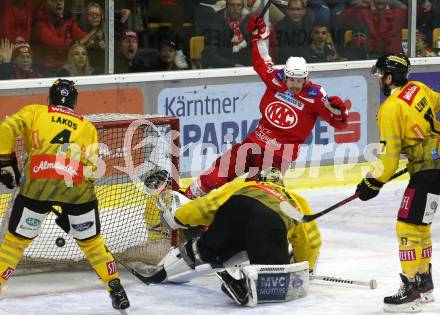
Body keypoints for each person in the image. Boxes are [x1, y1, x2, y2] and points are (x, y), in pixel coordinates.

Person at [182, 15, 349, 199]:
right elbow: (262, 60)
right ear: (285, 76)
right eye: (291, 79)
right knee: (218, 172)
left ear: (306, 79)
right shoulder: (276, 79)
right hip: (254, 141)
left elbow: (339, 123)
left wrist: (339, 110)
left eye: (299, 80)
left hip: (279, 156)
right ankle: (185, 200)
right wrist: (258, 34)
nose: (294, 84)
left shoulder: (316, 95)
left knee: (251, 196)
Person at [0, 79, 130, 313]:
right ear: (74, 102)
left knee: (15, 243)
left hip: (37, 185)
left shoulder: (35, 111)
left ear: (49, 99)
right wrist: (73, 211)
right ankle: (115, 288)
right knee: (91, 243)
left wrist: (4, 161)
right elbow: (91, 171)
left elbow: (6, 128)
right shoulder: (87, 126)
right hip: (77, 189)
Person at [156, 167, 320, 305]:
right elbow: (310, 241)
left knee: (211, 246)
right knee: (273, 276)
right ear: (281, 184)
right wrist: (306, 267)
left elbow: (209, 205)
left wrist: (180, 216)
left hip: (235, 208)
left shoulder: (248, 185)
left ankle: (204, 250)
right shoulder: (296, 200)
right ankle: (245, 284)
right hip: (269, 221)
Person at [355, 53, 439, 313]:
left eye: (381, 75)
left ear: (389, 77)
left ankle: (411, 289)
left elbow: (388, 160)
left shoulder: (390, 108)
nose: (380, 80)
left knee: (406, 226)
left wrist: (371, 183)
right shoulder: (418, 88)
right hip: (436, 169)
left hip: (426, 173)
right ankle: (424, 284)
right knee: (420, 225)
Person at [32, 0, 96, 74]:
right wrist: (76, 43)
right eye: (54, 1)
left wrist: (92, 41)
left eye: (62, 0)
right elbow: (50, 41)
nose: (59, 3)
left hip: (66, 67)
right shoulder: (39, 23)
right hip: (46, 69)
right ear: (46, 3)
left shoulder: (67, 20)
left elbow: (82, 36)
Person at [199, 0, 252, 68]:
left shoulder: (248, 22)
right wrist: (232, 65)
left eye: (238, 5)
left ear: (242, 8)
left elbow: (252, 50)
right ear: (226, 6)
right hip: (222, 67)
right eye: (232, 5)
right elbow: (210, 53)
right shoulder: (215, 22)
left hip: (244, 68)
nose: (235, 9)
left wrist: (246, 67)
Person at [273, 0, 315, 64]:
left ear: (303, 11)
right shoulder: (280, 27)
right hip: (287, 64)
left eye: (298, 9)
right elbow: (283, 53)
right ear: (287, 11)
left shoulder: (309, 25)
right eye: (292, 9)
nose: (295, 12)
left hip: (307, 64)